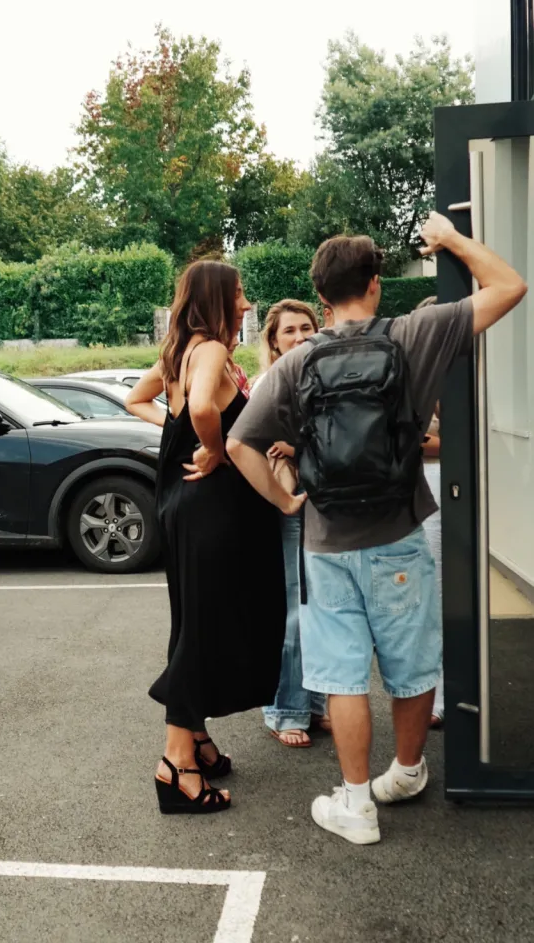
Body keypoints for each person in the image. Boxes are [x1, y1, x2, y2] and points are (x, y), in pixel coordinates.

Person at [227, 212, 527, 845]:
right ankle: (408, 771)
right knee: (413, 665)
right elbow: (509, 285)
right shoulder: (415, 334)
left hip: (327, 542)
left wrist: (287, 504)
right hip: (400, 533)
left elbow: (238, 445)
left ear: (320, 296)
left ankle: (356, 804)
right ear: (375, 286)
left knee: (340, 675)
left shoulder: (295, 362)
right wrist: (448, 241)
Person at [126, 259, 287, 816]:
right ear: (218, 299)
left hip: (185, 507)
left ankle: (194, 737)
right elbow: (198, 407)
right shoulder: (211, 349)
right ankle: (176, 765)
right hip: (213, 511)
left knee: (193, 622)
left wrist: (180, 441)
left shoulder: (180, 351)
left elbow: (137, 401)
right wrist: (214, 448)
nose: (246, 304)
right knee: (205, 629)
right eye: (240, 294)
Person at [252, 300, 329, 747]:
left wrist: (297, 447)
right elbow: (247, 446)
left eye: (306, 328)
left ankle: (314, 703)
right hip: (292, 507)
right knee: (295, 613)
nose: (300, 337)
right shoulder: (270, 383)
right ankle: (285, 708)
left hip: (327, 507)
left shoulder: (323, 378)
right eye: (289, 331)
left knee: (321, 611)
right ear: (274, 341)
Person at [415, 295, 446, 728]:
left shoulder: (455, 373)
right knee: (427, 594)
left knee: (445, 593)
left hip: (448, 485)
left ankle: (446, 693)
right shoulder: (414, 375)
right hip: (421, 488)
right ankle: (432, 693)